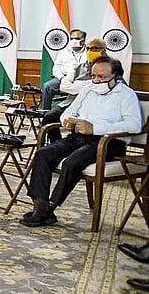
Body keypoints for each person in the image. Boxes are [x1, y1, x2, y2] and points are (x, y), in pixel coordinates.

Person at [20, 57, 142, 227]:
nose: (97, 81)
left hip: (108, 143)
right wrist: (68, 120)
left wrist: (95, 128)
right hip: (79, 137)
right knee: (43, 154)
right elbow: (68, 112)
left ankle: (49, 209)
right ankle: (40, 206)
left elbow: (134, 125)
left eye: (102, 77)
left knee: (72, 162)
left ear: (117, 77)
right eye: (94, 76)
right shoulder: (88, 89)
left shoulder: (126, 95)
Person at [41, 37, 106, 144]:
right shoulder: (80, 66)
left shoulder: (111, 66)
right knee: (49, 117)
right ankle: (56, 144)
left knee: (83, 124)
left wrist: (76, 85)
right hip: (72, 103)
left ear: (103, 50)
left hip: (94, 105)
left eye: (94, 49)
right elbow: (64, 86)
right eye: (88, 48)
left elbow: (101, 87)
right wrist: (87, 85)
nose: (90, 51)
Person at [41, 29, 87, 109]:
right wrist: (61, 77)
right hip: (63, 78)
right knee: (47, 86)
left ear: (83, 39)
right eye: (72, 38)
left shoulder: (88, 52)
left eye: (77, 38)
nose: (74, 41)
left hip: (81, 79)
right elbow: (56, 68)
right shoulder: (64, 52)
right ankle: (45, 114)